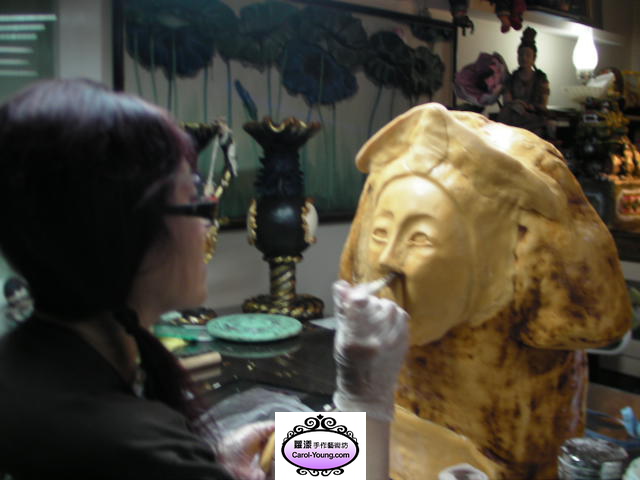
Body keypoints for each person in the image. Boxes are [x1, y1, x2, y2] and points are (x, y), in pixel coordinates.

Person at [0, 79, 408, 480]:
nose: (206, 225)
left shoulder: (28, 365)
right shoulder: (127, 445)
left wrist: (210, 461)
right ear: (128, 232)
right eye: (193, 197)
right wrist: (364, 395)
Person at [339, 103, 631, 479]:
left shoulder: (534, 256)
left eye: (420, 238)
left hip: (495, 457)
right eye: (379, 233)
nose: (387, 260)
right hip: (387, 428)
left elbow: (600, 320)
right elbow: (335, 456)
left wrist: (355, 406)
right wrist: (309, 439)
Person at [497, 27, 551, 137]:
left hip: (532, 116)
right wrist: (516, 104)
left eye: (528, 55)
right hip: (514, 115)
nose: (524, 58)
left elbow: (543, 105)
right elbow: (507, 102)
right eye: (521, 54)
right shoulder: (511, 78)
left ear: (534, 58)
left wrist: (529, 107)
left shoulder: (540, 78)